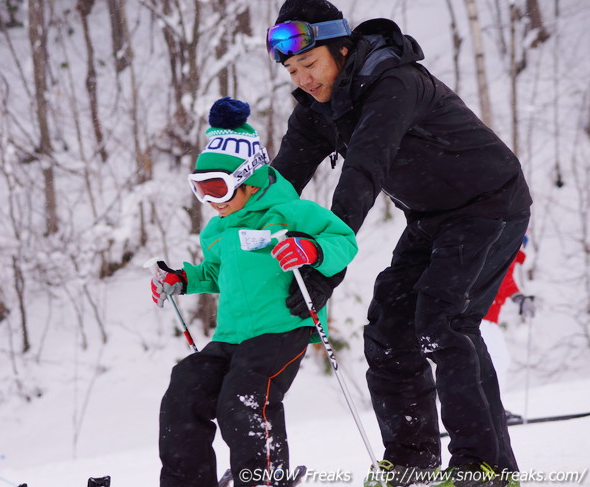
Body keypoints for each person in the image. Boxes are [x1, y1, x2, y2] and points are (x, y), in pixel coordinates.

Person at [265, 1, 532, 486]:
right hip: (430, 218)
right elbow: (278, 188)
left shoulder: (394, 83)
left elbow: (363, 173)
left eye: (309, 64)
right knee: (388, 329)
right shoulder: (316, 111)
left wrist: (326, 264)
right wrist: (232, 237)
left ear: (341, 49)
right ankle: (412, 459)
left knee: (443, 320)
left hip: (489, 204)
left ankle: (486, 467)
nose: (302, 78)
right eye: (291, 69)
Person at [151, 97, 358, 487]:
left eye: (217, 188)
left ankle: (262, 478)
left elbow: (343, 240)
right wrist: (181, 279)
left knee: (243, 398)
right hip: (231, 335)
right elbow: (216, 273)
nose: (209, 201)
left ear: (251, 180)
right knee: (184, 390)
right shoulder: (217, 229)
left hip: (281, 329)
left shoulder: (291, 212)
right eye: (199, 189)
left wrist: (311, 249)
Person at [481, 236, 535, 420]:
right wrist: (519, 297)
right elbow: (502, 280)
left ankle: (491, 409)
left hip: (485, 317)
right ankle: (492, 410)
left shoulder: (500, 251)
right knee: (497, 360)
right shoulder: (504, 251)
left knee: (495, 360)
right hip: (482, 317)